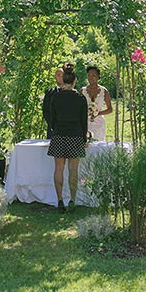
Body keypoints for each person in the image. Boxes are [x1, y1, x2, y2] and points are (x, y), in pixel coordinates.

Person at [47, 63, 88, 212]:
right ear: (75, 80)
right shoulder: (80, 98)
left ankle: (59, 200)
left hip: (59, 134)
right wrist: (84, 139)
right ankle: (72, 199)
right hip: (75, 135)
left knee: (59, 168)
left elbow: (52, 119)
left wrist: (56, 129)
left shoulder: (55, 97)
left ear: (63, 79)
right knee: (73, 170)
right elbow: (84, 121)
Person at [80, 65, 113, 141]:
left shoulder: (104, 91)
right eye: (89, 75)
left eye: (93, 75)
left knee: (98, 144)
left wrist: (98, 113)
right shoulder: (82, 91)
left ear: (98, 77)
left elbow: (110, 109)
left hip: (99, 123)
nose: (90, 77)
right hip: (85, 122)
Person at [42, 66, 64, 138]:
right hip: (52, 130)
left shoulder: (72, 93)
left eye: (62, 75)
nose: (60, 77)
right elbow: (45, 111)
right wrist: (53, 124)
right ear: (55, 77)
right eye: (58, 75)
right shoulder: (49, 92)